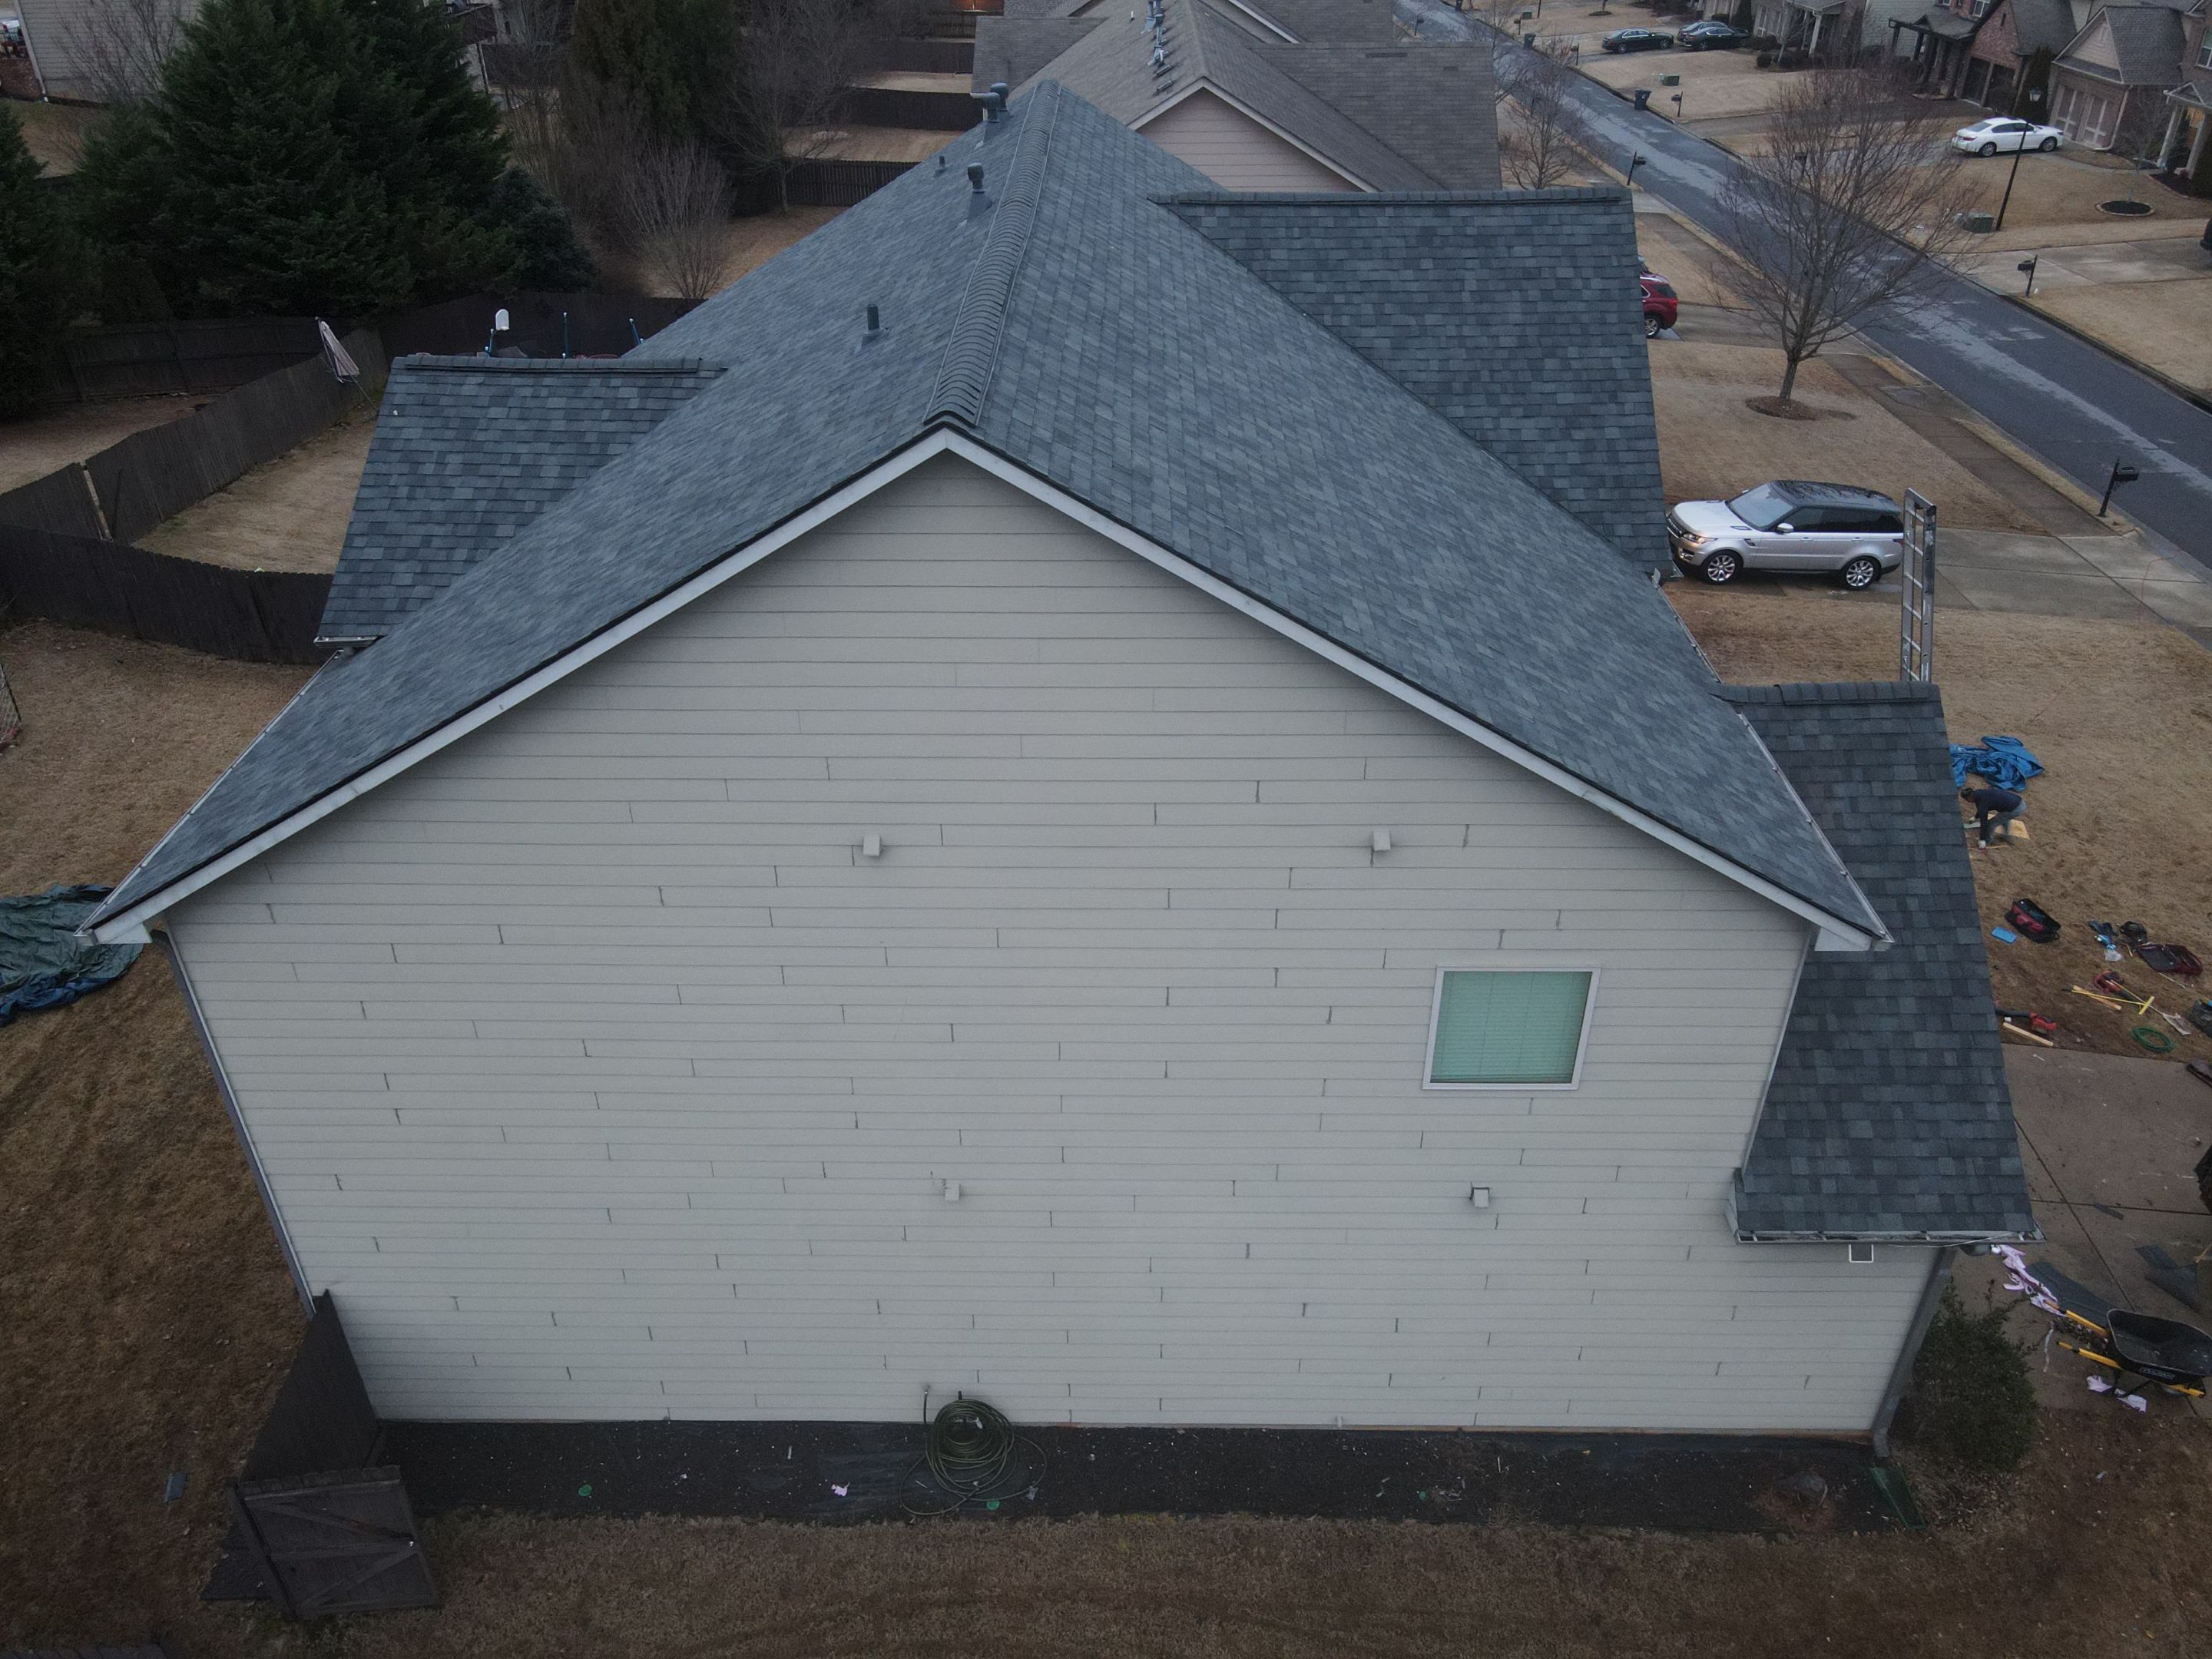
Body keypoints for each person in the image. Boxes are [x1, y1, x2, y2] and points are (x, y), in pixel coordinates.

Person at [1961, 783, 2023, 848]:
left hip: (2015, 808)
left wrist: (1982, 839)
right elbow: (1980, 808)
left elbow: (1984, 822)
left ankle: (1987, 842)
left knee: (1991, 824)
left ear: (1969, 798)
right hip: (2017, 801)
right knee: (2003, 818)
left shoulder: (1983, 803)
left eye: (1966, 800)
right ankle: (2006, 836)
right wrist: (1975, 817)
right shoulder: (1978, 794)